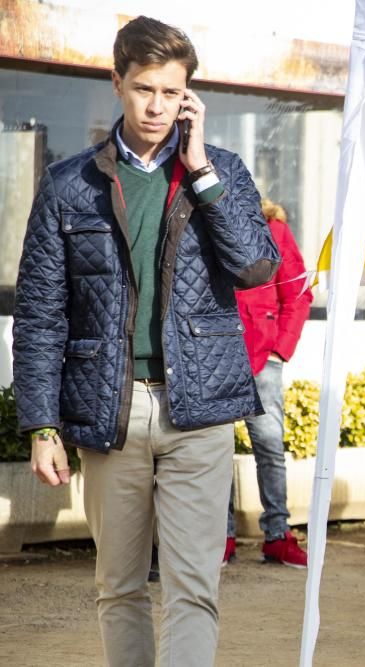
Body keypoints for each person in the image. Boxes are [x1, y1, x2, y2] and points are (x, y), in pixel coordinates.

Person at [13, 16, 279, 666]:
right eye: (143, 89)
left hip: (201, 408)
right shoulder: (68, 184)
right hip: (112, 410)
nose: (156, 106)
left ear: (189, 96)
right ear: (117, 84)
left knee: (194, 587)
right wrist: (42, 423)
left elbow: (256, 267)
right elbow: (42, 310)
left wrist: (203, 169)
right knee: (119, 586)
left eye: (170, 92)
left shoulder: (223, 172)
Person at [224, 198, 313, 567]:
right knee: (214, 452)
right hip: (217, 357)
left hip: (264, 358)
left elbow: (298, 292)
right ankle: (222, 536)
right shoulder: (204, 224)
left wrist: (280, 350)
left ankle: (277, 536)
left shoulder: (275, 230)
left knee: (269, 448)